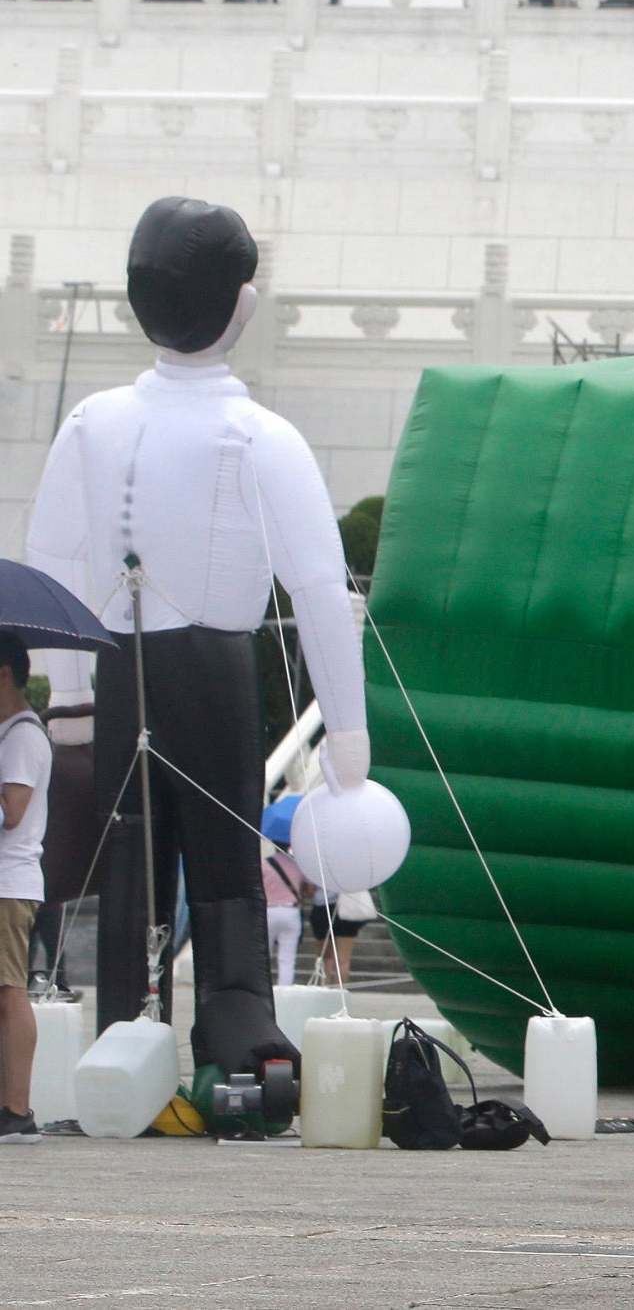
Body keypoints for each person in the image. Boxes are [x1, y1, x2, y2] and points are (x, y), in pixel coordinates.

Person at [24, 197, 373, 1082]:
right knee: (222, 858)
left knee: (133, 853)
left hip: (117, 666)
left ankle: (122, 1028)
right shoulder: (261, 436)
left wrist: (67, 692)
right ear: (242, 305)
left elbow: (51, 558)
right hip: (214, 663)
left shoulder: (90, 424)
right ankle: (233, 1024)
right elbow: (322, 593)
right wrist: (349, 730)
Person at [0, 632, 53, 1144]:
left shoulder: (21, 736)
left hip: (8, 883)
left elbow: (11, 812)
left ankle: (16, 1109)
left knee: (10, 991)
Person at [261, 841, 309, 986]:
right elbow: (310, 889)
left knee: (263, 955)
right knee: (287, 958)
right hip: (291, 911)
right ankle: (285, 990)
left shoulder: (264, 864)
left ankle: (263, 987)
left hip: (268, 911)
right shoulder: (298, 865)